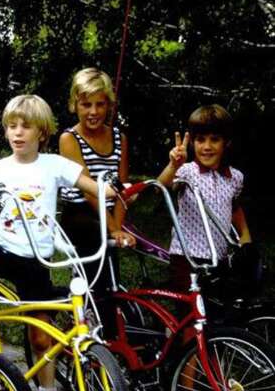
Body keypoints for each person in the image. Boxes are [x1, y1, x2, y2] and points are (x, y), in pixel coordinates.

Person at [0, 94, 116, 391]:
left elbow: (94, 188)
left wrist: (111, 191)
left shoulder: (55, 165)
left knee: (42, 338)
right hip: (1, 251)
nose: (17, 133)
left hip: (36, 261)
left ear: (43, 132)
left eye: (26, 126)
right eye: (12, 126)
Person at [58, 67, 135, 339]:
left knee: (111, 276)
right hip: (80, 212)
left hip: (110, 211)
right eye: (85, 104)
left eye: (99, 104)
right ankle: (95, 333)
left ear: (109, 105)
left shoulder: (118, 138)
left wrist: (119, 225)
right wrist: (113, 229)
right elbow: (90, 191)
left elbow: (122, 188)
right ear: (74, 105)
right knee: (95, 277)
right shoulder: (69, 139)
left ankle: (114, 327)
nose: (93, 111)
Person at [157, 104, 251, 303]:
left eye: (214, 140)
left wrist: (245, 238)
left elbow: (235, 207)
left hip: (219, 258)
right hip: (186, 258)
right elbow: (160, 188)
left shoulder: (234, 177)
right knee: (191, 313)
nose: (207, 147)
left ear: (226, 142)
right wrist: (173, 165)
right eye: (200, 140)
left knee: (216, 309)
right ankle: (180, 333)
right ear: (192, 142)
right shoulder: (186, 171)